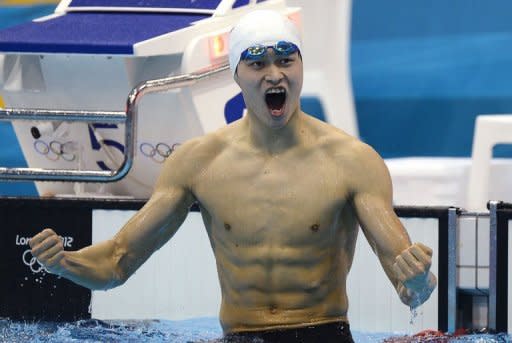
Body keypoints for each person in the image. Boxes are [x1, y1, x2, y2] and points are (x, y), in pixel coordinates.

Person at [29, 10, 437, 343]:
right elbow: (117, 263)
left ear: (300, 67)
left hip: (324, 332)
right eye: (257, 63)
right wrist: (64, 263)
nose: (274, 74)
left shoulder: (352, 161)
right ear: (236, 75)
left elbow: (408, 288)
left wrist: (419, 281)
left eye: (285, 60)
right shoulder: (199, 162)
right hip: (240, 336)